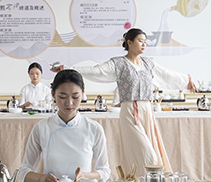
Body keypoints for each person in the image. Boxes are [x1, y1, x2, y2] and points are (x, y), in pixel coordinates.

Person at [54, 28, 196, 174]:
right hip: (130, 113)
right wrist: (68, 68)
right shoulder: (118, 63)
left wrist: (187, 80)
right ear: (129, 42)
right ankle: (148, 179)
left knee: (142, 151)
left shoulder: (148, 63)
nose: (144, 44)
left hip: (147, 112)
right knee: (148, 154)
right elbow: (96, 71)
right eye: (140, 41)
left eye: (145, 42)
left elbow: (167, 75)